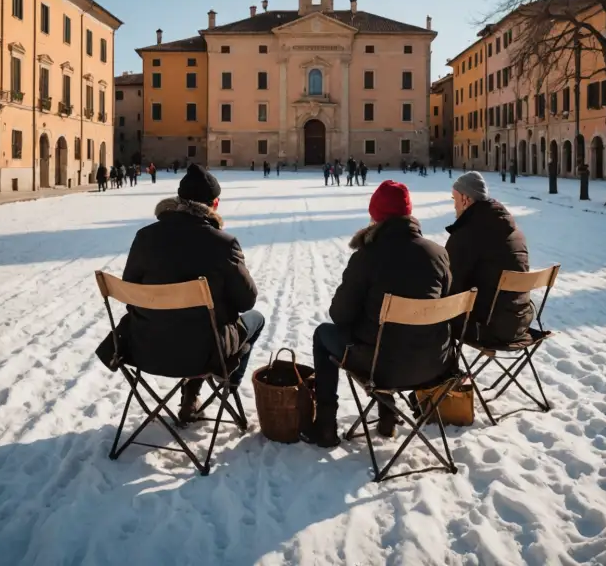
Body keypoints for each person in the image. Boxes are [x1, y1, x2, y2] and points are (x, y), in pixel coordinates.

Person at [302, 181, 453, 448]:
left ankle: (325, 425)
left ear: (376, 217)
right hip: (435, 365)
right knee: (390, 337)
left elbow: (340, 315)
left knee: (323, 334)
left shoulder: (367, 256)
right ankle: (387, 415)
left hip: (382, 367)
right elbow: (446, 307)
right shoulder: (438, 254)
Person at [115, 164, 265, 424]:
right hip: (204, 353)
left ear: (179, 201)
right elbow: (246, 301)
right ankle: (226, 383)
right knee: (256, 318)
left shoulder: (145, 236)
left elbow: (131, 290)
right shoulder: (223, 243)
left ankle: (191, 397)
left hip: (144, 347)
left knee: (195, 328)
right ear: (214, 204)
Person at [445, 171, 531, 344]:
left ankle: (447, 367)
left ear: (465, 199)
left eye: (454, 199)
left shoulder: (467, 233)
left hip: (485, 328)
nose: (454, 205)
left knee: (437, 315)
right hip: (520, 321)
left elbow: (449, 283)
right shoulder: (513, 229)